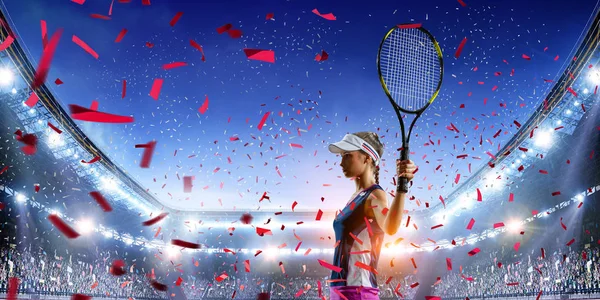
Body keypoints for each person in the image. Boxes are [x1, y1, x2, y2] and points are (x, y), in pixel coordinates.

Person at [327, 132, 416, 300]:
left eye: (347, 156)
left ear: (367, 158)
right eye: (340, 156)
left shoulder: (374, 195)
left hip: (357, 291)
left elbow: (390, 227)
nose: (340, 163)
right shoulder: (355, 197)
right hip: (341, 290)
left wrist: (402, 187)